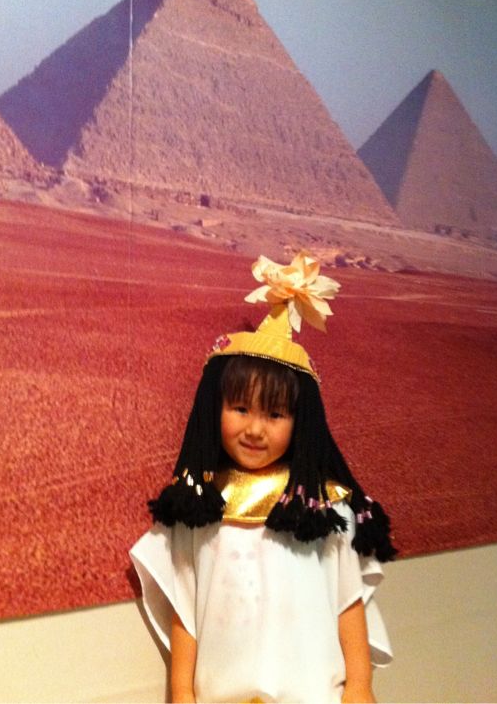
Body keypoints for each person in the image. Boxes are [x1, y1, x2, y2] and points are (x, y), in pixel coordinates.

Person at [130, 252, 396, 704]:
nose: (255, 429)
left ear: (300, 422)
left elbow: (347, 601)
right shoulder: (199, 511)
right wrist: (182, 693)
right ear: (214, 408)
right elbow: (186, 612)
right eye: (240, 409)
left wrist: (360, 686)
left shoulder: (324, 509)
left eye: (274, 414)